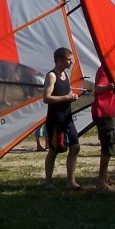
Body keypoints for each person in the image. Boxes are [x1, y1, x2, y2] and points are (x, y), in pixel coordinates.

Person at [43, 47, 81, 191]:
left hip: (67, 118)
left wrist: (72, 96)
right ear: (59, 60)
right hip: (55, 120)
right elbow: (46, 98)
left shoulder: (65, 75)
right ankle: (48, 182)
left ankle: (71, 181)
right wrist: (66, 97)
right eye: (68, 59)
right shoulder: (51, 76)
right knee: (54, 150)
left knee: (75, 147)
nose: (71, 62)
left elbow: (67, 91)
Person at [91, 65, 115, 190]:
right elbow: (97, 88)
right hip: (103, 113)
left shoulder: (111, 69)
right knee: (108, 145)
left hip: (108, 112)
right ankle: (101, 181)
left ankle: (106, 177)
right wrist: (109, 87)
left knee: (108, 145)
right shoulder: (104, 70)